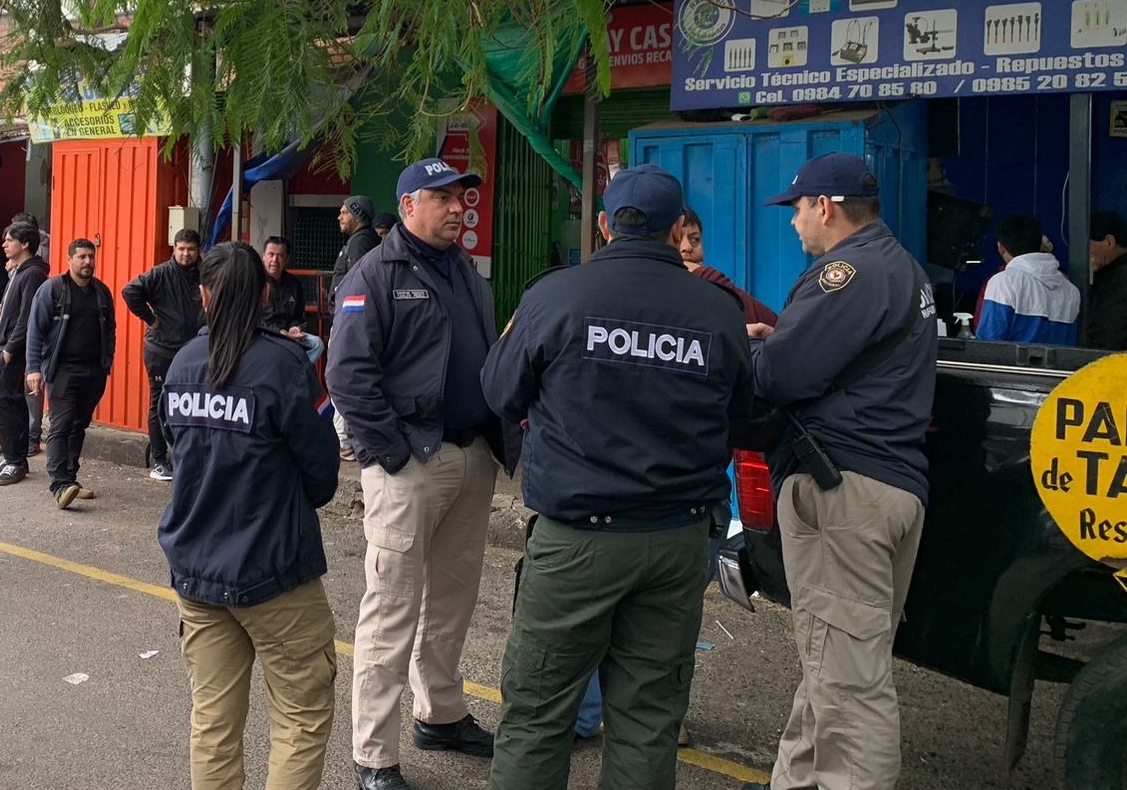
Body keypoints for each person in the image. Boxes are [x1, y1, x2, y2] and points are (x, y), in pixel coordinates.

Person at [481, 165, 752, 790]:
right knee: (648, 718)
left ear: (603, 225)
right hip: (678, 540)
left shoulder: (555, 296)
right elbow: (746, 418)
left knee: (539, 714)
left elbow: (499, 390)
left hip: (576, 543)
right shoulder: (717, 312)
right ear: (678, 228)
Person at [743, 153, 937, 790]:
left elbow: (781, 376)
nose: (794, 222)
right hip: (885, 487)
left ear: (824, 207)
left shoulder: (846, 272)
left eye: (797, 208)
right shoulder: (900, 268)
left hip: (844, 492)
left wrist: (753, 347)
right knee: (832, 669)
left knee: (850, 694)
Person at [327, 158, 513, 790]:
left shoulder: (467, 272)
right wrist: (394, 455)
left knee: (453, 600)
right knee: (391, 608)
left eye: (462, 197)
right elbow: (347, 375)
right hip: (412, 464)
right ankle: (374, 753)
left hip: (471, 456)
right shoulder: (373, 274)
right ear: (408, 206)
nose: (459, 207)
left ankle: (440, 712)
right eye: (443, 197)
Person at [158, 242, 341, 790]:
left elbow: (174, 450)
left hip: (197, 570)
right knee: (301, 718)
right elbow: (321, 471)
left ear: (204, 295)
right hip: (274, 573)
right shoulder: (283, 365)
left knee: (213, 722)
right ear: (265, 292)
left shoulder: (183, 363)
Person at [28, 238, 117, 507]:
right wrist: (33, 368)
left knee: (79, 426)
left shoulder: (101, 292)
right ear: (69, 260)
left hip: (93, 372)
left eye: (91, 256)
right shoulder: (53, 290)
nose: (88, 262)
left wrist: (107, 362)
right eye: (82, 257)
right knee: (61, 424)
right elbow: (35, 331)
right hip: (63, 370)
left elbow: (110, 330)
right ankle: (59, 484)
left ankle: (71, 479)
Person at [122, 229, 204, 481]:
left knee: (194, 402)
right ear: (174, 249)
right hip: (161, 350)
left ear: (198, 250)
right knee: (161, 403)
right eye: (181, 249)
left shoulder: (206, 273)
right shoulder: (160, 273)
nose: (185, 254)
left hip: (193, 350)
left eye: (190, 249)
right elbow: (129, 291)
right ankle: (159, 460)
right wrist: (151, 319)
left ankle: (188, 456)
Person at [0, 223, 50, 485]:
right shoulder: (19, 272)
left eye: (10, 240)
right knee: (11, 402)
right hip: (3, 344)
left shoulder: (32, 273)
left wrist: (11, 350)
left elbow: (27, 317)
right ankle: (13, 455)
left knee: (1, 402)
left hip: (12, 350)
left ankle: (15, 460)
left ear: (24, 244)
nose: (4, 244)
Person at [329, 195, 382, 458]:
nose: (339, 217)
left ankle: (346, 441)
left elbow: (360, 285)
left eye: (344, 212)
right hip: (347, 321)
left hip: (350, 323)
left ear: (357, 214)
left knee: (342, 377)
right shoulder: (357, 241)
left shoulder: (361, 242)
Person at [974, 214, 1079, 345]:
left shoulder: (1003, 282)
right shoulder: (1071, 290)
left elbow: (987, 343)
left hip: (1011, 365)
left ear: (1000, 247)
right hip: (1059, 365)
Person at [679, 208, 778, 325]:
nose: (687, 247)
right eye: (677, 239)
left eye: (695, 239)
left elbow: (775, 325)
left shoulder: (714, 292)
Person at [260, 236, 324, 363]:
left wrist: (295, 328)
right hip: (264, 334)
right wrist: (278, 331)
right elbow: (253, 320)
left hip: (290, 335)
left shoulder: (294, 284)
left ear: (287, 259)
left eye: (280, 255)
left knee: (317, 343)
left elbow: (298, 315)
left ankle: (296, 371)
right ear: (263, 256)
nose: (275, 260)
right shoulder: (256, 282)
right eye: (271, 254)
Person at [1086, 210, 1127, 351]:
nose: (1085, 252)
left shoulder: (1119, 279)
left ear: (1109, 241)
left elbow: (1110, 331)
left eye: (1088, 245)